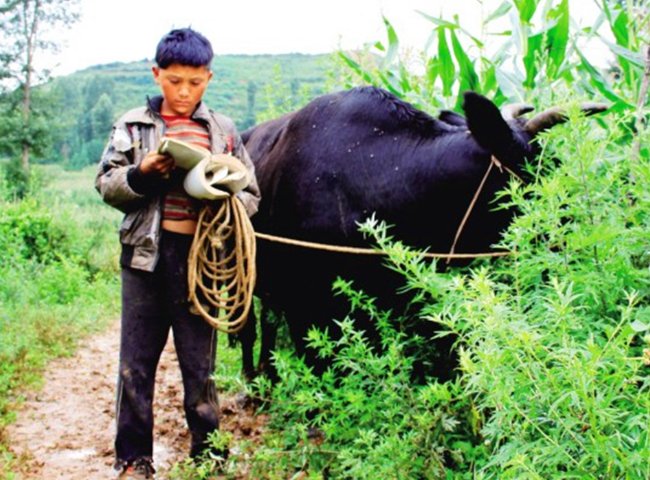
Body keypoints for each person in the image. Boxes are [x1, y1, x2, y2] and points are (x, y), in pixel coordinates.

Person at [95, 27, 260, 479]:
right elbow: (107, 184)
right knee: (136, 365)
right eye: (173, 81)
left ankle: (208, 456)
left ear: (208, 78)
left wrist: (225, 201)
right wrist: (143, 173)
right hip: (145, 260)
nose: (183, 92)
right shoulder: (133, 125)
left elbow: (251, 194)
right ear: (156, 74)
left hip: (200, 261)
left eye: (194, 82)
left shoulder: (223, 130)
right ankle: (133, 459)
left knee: (200, 368)